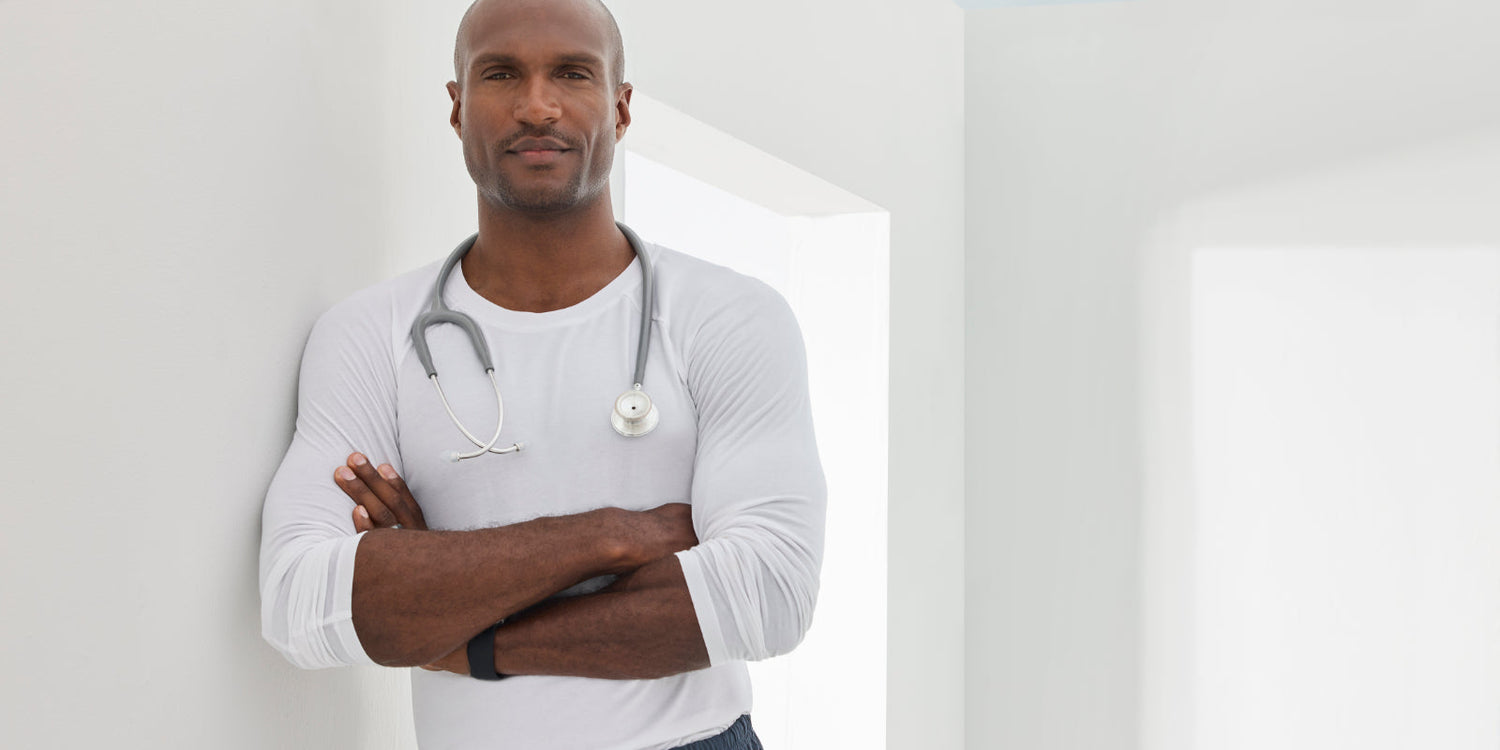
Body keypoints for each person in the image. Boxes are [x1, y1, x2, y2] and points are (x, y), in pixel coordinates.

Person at [256, 0, 827, 747]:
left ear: (620, 110)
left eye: (572, 73)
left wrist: (457, 629)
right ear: (457, 109)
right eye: (500, 74)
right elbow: (301, 605)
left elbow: (768, 595)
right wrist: (612, 536)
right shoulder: (369, 334)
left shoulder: (727, 316)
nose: (536, 105)